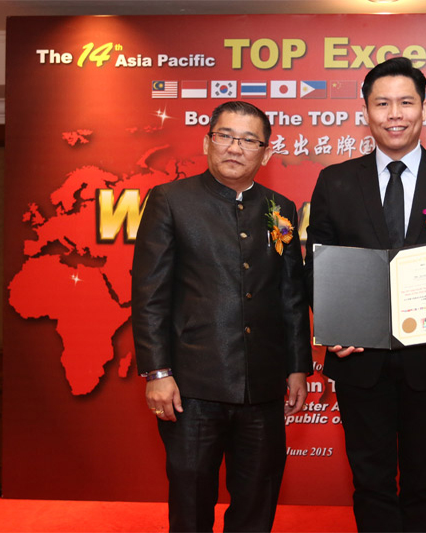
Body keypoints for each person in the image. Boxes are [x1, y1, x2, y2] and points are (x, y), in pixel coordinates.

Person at [304, 57, 426, 532]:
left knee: (423, 481)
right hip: (358, 358)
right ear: (366, 112)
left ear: (424, 109)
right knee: (370, 481)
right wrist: (333, 323)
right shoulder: (335, 180)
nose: (395, 114)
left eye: (406, 103)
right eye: (383, 103)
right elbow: (316, 265)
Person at [132, 101, 312, 532]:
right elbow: (150, 293)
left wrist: (297, 368)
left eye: (249, 140)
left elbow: (290, 295)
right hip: (191, 388)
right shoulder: (170, 200)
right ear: (207, 142)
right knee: (191, 505)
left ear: (266, 153)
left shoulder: (281, 207)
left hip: (262, 388)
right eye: (225, 136)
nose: (235, 147)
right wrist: (157, 371)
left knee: (257, 503)